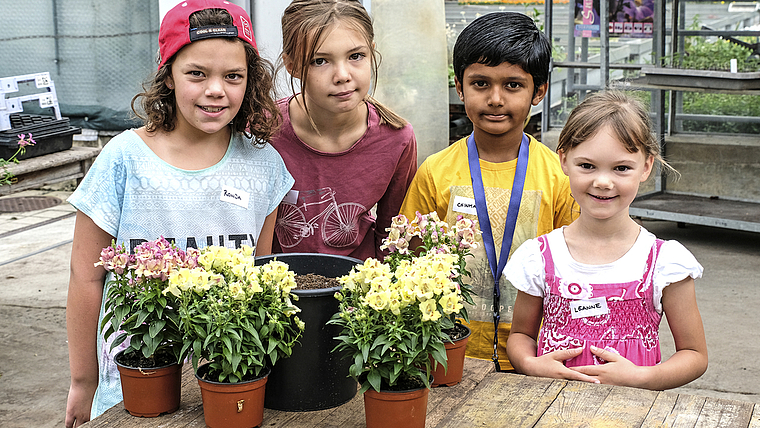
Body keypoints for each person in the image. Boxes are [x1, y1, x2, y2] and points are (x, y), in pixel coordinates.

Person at [64, 1, 294, 426]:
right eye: (196, 73)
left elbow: (263, 274)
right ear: (168, 75)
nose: (216, 89)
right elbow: (86, 276)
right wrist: (83, 382)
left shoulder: (265, 167)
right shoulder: (124, 159)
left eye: (233, 76)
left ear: (251, 82)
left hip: (228, 374)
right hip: (132, 382)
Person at [399, 12, 576, 371]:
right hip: (446, 351)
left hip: (537, 355)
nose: (496, 99)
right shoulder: (435, 172)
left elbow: (576, 265)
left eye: (513, 85)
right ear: (460, 87)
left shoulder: (559, 176)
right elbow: (407, 259)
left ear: (539, 91)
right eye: (481, 83)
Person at [505, 91, 708, 389]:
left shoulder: (664, 262)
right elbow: (521, 335)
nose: (603, 181)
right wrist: (530, 364)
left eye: (621, 168)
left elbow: (694, 354)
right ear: (563, 160)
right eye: (587, 166)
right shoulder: (539, 257)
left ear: (646, 166)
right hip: (548, 412)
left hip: (633, 414)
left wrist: (643, 376)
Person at [270, 0, 417, 261]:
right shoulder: (261, 129)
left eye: (356, 56)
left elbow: (391, 237)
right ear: (291, 65)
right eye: (319, 61)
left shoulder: (397, 139)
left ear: (372, 52)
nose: (342, 75)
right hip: (276, 293)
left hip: (357, 291)